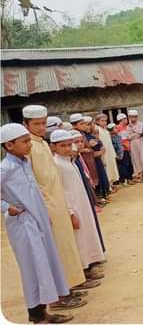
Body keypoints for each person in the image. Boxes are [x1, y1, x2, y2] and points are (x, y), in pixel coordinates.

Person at [1, 123, 74, 324]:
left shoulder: (25, 163)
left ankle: (44, 311)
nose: (29, 145)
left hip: (39, 220)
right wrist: (7, 207)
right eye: (25, 142)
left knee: (47, 264)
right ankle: (35, 315)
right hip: (23, 225)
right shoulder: (4, 168)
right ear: (9, 145)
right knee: (33, 268)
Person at [22, 107, 90, 309]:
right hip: (47, 206)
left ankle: (68, 286)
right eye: (36, 124)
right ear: (26, 124)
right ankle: (59, 296)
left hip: (59, 204)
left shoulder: (42, 143)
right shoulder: (29, 148)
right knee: (56, 251)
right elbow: (33, 182)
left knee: (67, 247)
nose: (41, 127)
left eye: (43, 123)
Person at [50, 130, 106, 277]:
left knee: (86, 234)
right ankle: (83, 269)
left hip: (81, 204)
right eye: (63, 146)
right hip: (73, 207)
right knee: (78, 238)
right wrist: (70, 212)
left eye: (70, 145)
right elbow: (61, 190)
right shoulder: (56, 164)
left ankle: (89, 264)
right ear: (53, 147)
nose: (68, 148)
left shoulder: (70, 161)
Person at [69, 130, 106, 248]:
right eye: (76, 142)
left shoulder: (78, 157)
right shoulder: (72, 159)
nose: (79, 144)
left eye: (81, 141)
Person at [127, 110, 143, 182]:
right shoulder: (128, 126)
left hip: (141, 143)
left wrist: (134, 132)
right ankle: (141, 174)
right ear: (129, 117)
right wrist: (136, 134)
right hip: (133, 144)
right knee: (136, 159)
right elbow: (128, 137)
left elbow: (141, 133)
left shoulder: (141, 124)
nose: (133, 119)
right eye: (132, 117)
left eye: (135, 117)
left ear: (137, 117)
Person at [111, 116, 134, 185]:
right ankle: (123, 180)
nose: (126, 120)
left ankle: (130, 178)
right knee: (124, 164)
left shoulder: (126, 127)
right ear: (121, 120)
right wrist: (124, 145)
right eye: (125, 119)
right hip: (122, 149)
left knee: (129, 163)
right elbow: (118, 140)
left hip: (128, 147)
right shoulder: (117, 128)